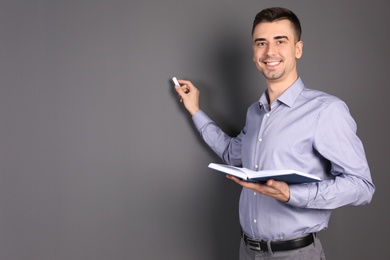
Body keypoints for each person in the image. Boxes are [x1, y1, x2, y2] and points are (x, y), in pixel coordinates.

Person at [174, 7, 375, 260]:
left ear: (297, 49)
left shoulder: (326, 110)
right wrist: (196, 111)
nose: (270, 52)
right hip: (247, 251)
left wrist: (292, 194)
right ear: (254, 53)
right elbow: (231, 153)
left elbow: (362, 186)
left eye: (280, 41)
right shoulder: (254, 113)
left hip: (296, 254)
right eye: (261, 43)